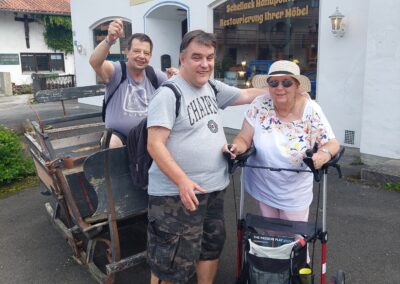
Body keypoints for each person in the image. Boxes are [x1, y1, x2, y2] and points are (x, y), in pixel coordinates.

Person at [146, 30, 267, 284]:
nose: (205, 64)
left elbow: (244, 95)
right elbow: (155, 145)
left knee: (210, 246)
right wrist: (182, 180)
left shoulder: (211, 86)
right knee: (171, 259)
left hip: (213, 189)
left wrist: (279, 90)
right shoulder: (168, 94)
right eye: (197, 57)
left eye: (210, 57)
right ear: (183, 59)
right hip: (176, 195)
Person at [224, 60, 340, 223]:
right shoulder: (259, 104)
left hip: (295, 193)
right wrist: (236, 147)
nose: (279, 88)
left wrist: (323, 154)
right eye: (273, 83)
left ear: (297, 86)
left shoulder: (311, 110)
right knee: (270, 236)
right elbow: (244, 138)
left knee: (295, 240)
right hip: (263, 185)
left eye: (286, 83)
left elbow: (332, 144)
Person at [89, 19, 177, 147]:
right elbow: (95, 62)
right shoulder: (117, 70)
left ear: (150, 56)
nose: (142, 56)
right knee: (111, 143)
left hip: (148, 135)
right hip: (119, 135)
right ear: (127, 52)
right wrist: (110, 39)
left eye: (146, 53)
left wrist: (176, 78)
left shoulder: (154, 75)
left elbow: (177, 90)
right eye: (136, 51)